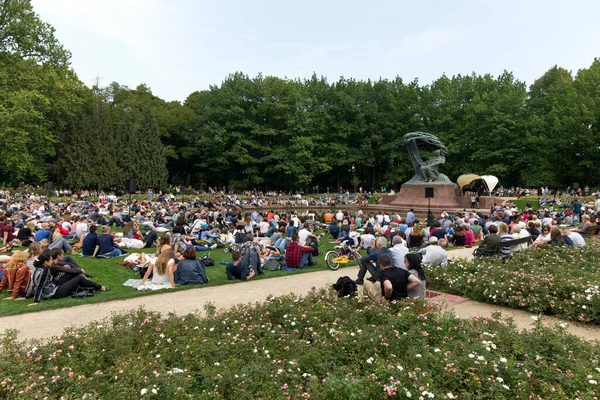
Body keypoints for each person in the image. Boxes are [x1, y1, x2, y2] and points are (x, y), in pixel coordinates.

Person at [30, 254, 109, 306]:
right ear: (46, 262)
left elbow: (34, 283)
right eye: (50, 260)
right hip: (53, 293)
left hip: (52, 288)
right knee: (78, 278)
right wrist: (36, 301)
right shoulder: (45, 270)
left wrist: (27, 295)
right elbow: (40, 285)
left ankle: (88, 287)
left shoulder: (38, 269)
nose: (52, 261)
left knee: (72, 274)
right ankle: (99, 287)